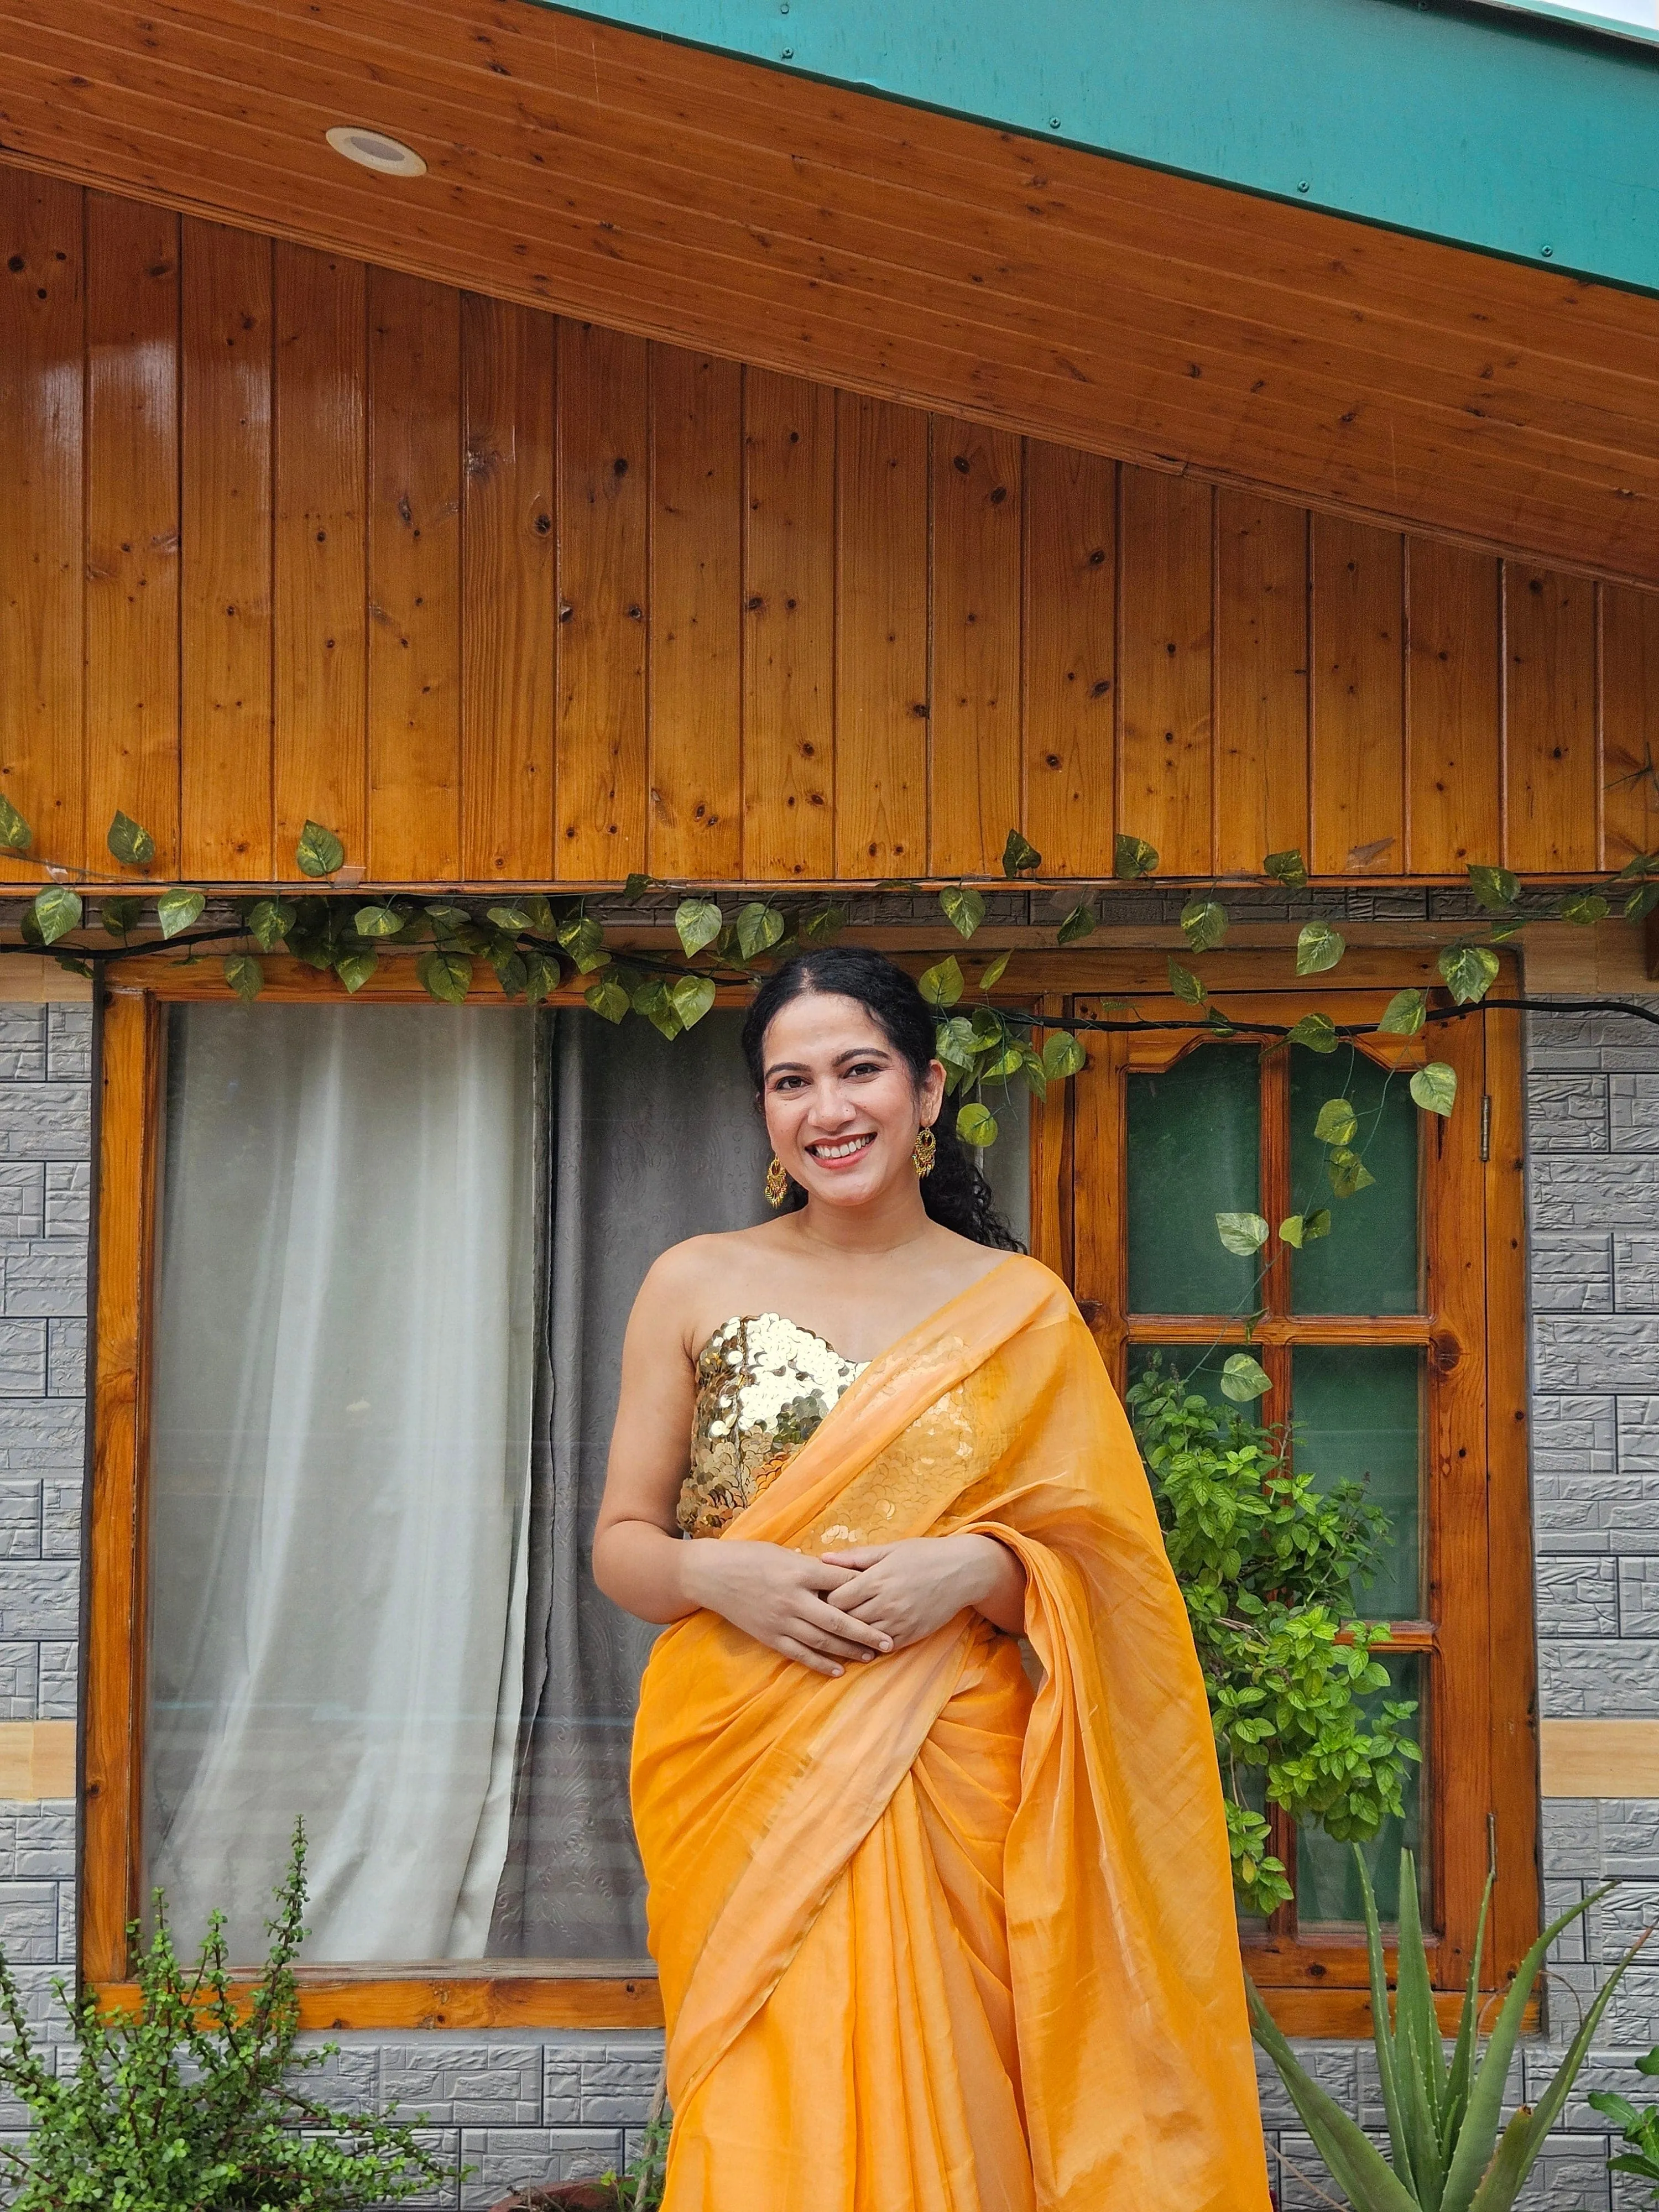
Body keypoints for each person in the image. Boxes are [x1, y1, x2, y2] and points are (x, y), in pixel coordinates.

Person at [593, 947, 1271, 2211]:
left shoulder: (1017, 1306)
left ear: (928, 1088)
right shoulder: (694, 1280)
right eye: (791, 1080)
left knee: (957, 2094)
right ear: (764, 1113)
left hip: (953, 1765)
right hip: (738, 1758)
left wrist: (982, 1562)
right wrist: (720, 1575)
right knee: (761, 2106)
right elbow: (623, 1542)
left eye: (860, 1069)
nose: (828, 1107)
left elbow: (1111, 1572)